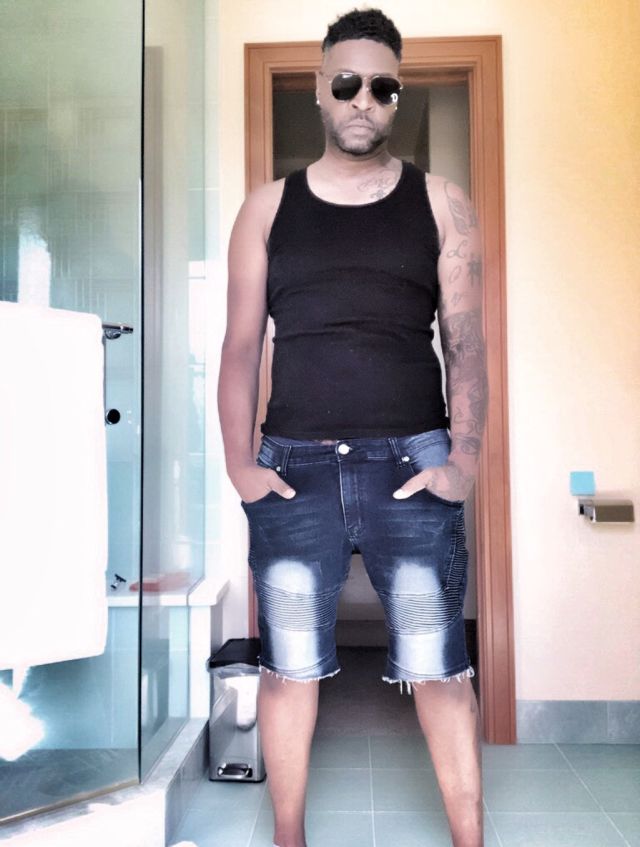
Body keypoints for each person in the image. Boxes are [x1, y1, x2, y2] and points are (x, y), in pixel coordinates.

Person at [217, 8, 489, 847]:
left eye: (381, 86)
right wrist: (239, 466)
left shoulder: (442, 202)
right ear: (319, 89)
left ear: (396, 94)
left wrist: (463, 461)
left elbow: (467, 343)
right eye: (346, 83)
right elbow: (238, 347)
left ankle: (470, 840)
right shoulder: (267, 210)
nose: (363, 99)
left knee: (440, 667)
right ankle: (287, 839)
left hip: (414, 460)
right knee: (289, 667)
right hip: (293, 467)